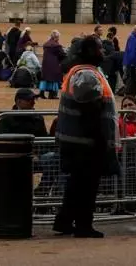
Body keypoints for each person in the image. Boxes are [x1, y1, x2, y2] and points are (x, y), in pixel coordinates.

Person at [53, 36, 119, 238]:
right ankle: (83, 224)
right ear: (90, 52)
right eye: (99, 48)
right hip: (86, 140)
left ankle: (64, 221)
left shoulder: (81, 71)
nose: (103, 51)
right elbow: (90, 111)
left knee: (76, 185)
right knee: (87, 186)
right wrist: (100, 140)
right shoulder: (87, 74)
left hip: (77, 139)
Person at [40, 31, 66, 99]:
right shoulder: (57, 45)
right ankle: (52, 95)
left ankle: (41, 93)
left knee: (45, 78)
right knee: (54, 79)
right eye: (58, 37)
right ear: (56, 37)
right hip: (54, 63)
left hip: (45, 63)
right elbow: (62, 54)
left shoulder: (45, 44)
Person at [122, 25, 136, 100]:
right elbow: (132, 51)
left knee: (133, 79)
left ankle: (131, 94)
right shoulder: (132, 38)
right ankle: (128, 94)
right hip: (132, 64)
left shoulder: (134, 38)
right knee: (130, 80)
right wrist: (131, 62)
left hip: (133, 63)